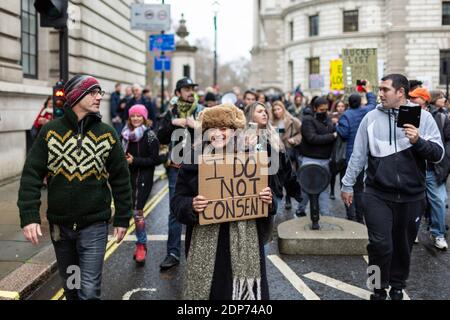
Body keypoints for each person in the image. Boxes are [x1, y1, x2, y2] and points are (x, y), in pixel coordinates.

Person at [17, 74, 132, 300]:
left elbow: (121, 179)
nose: (99, 97)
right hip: (61, 228)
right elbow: (31, 175)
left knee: (88, 291)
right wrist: (29, 215)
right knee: (71, 288)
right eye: (93, 92)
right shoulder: (50, 132)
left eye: (100, 92)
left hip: (94, 226)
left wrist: (122, 217)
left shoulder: (107, 134)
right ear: (76, 95)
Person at [341, 74, 444, 300]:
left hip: (412, 196)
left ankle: (397, 286)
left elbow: (438, 155)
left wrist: (418, 141)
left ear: (400, 92)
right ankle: (378, 288)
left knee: (403, 246)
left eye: (385, 89)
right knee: (379, 245)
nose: (380, 93)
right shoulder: (370, 118)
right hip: (377, 193)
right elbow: (358, 155)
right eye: (380, 89)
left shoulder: (423, 118)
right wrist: (347, 184)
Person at [172, 103, 276, 300]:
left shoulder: (251, 158)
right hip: (209, 250)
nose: (217, 134)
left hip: (245, 245)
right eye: (212, 128)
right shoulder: (193, 159)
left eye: (223, 128)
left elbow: (269, 198)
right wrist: (191, 205)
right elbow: (177, 202)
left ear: (234, 131)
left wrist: (269, 201)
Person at [157, 77, 204, 270]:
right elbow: (160, 136)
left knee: (202, 207)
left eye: (192, 88)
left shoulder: (202, 112)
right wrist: (174, 123)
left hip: (199, 167)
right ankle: (173, 253)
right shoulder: (170, 112)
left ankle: (200, 253)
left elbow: (215, 135)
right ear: (178, 93)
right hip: (176, 168)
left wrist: (196, 126)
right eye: (186, 89)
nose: (190, 92)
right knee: (175, 211)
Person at [409, 87, 449, 250]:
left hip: (434, 167)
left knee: (439, 201)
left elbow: (447, 141)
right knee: (413, 202)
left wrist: (445, 163)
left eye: (415, 98)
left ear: (425, 100)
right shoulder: (407, 113)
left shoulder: (440, 117)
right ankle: (412, 232)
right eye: (410, 97)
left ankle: (438, 234)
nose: (411, 100)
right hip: (413, 167)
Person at [122, 104, 161, 264]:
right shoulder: (124, 135)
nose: (136, 118)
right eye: (133, 116)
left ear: (144, 118)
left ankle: (141, 245)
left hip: (144, 178)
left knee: (137, 212)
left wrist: (134, 160)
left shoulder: (150, 135)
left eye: (139, 116)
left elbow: (154, 160)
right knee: (131, 211)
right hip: (127, 178)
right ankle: (140, 243)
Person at [336, 81, 377, 223]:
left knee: (348, 186)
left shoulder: (346, 115)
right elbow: (373, 103)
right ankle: (360, 217)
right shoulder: (367, 111)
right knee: (360, 189)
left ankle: (350, 215)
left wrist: (337, 126)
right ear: (360, 102)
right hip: (365, 155)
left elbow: (344, 133)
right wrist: (369, 91)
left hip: (350, 156)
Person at [296, 97, 337, 217]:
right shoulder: (308, 120)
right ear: (315, 108)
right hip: (310, 158)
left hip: (325, 159)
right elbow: (312, 138)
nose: (324, 111)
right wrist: (332, 136)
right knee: (306, 187)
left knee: (324, 188)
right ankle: (300, 210)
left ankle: (325, 214)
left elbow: (330, 130)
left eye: (326, 109)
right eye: (321, 109)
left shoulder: (328, 119)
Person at [270, 100, 302, 212]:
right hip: (276, 153)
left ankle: (288, 198)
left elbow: (301, 132)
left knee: (289, 177)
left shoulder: (292, 121)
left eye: (278, 109)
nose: (276, 111)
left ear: (283, 109)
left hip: (289, 153)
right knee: (278, 178)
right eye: (274, 110)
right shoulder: (270, 122)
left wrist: (294, 139)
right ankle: (278, 198)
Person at [329, 99, 348, 201]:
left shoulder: (347, 117)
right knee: (333, 172)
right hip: (334, 147)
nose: (340, 108)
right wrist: (333, 124)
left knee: (343, 173)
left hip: (344, 147)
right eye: (338, 106)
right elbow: (328, 131)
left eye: (342, 106)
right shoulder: (331, 117)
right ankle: (331, 191)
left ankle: (343, 192)